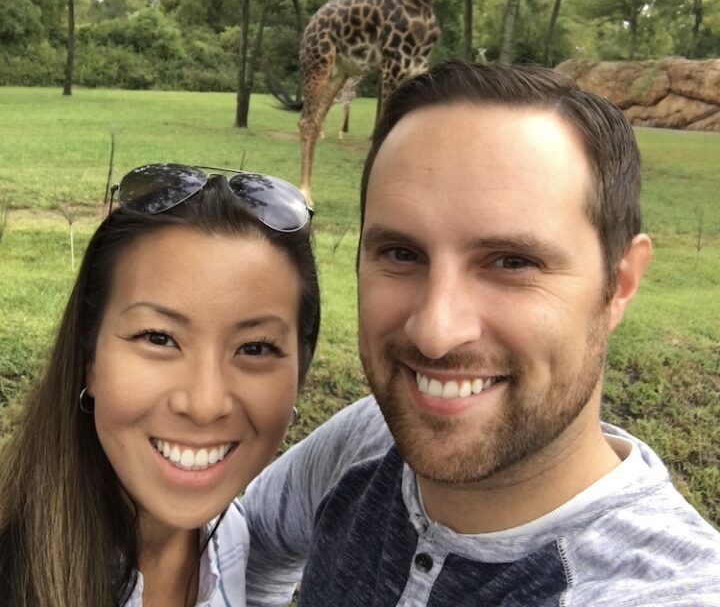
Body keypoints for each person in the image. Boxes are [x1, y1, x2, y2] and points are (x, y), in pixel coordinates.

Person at [242, 60, 720, 606]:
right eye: (401, 254)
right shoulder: (369, 439)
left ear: (620, 283)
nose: (435, 333)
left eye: (511, 262)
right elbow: (246, 544)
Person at [0, 163, 319, 606]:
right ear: (88, 358)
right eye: (158, 338)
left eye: (255, 348)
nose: (205, 404)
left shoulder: (228, 537)